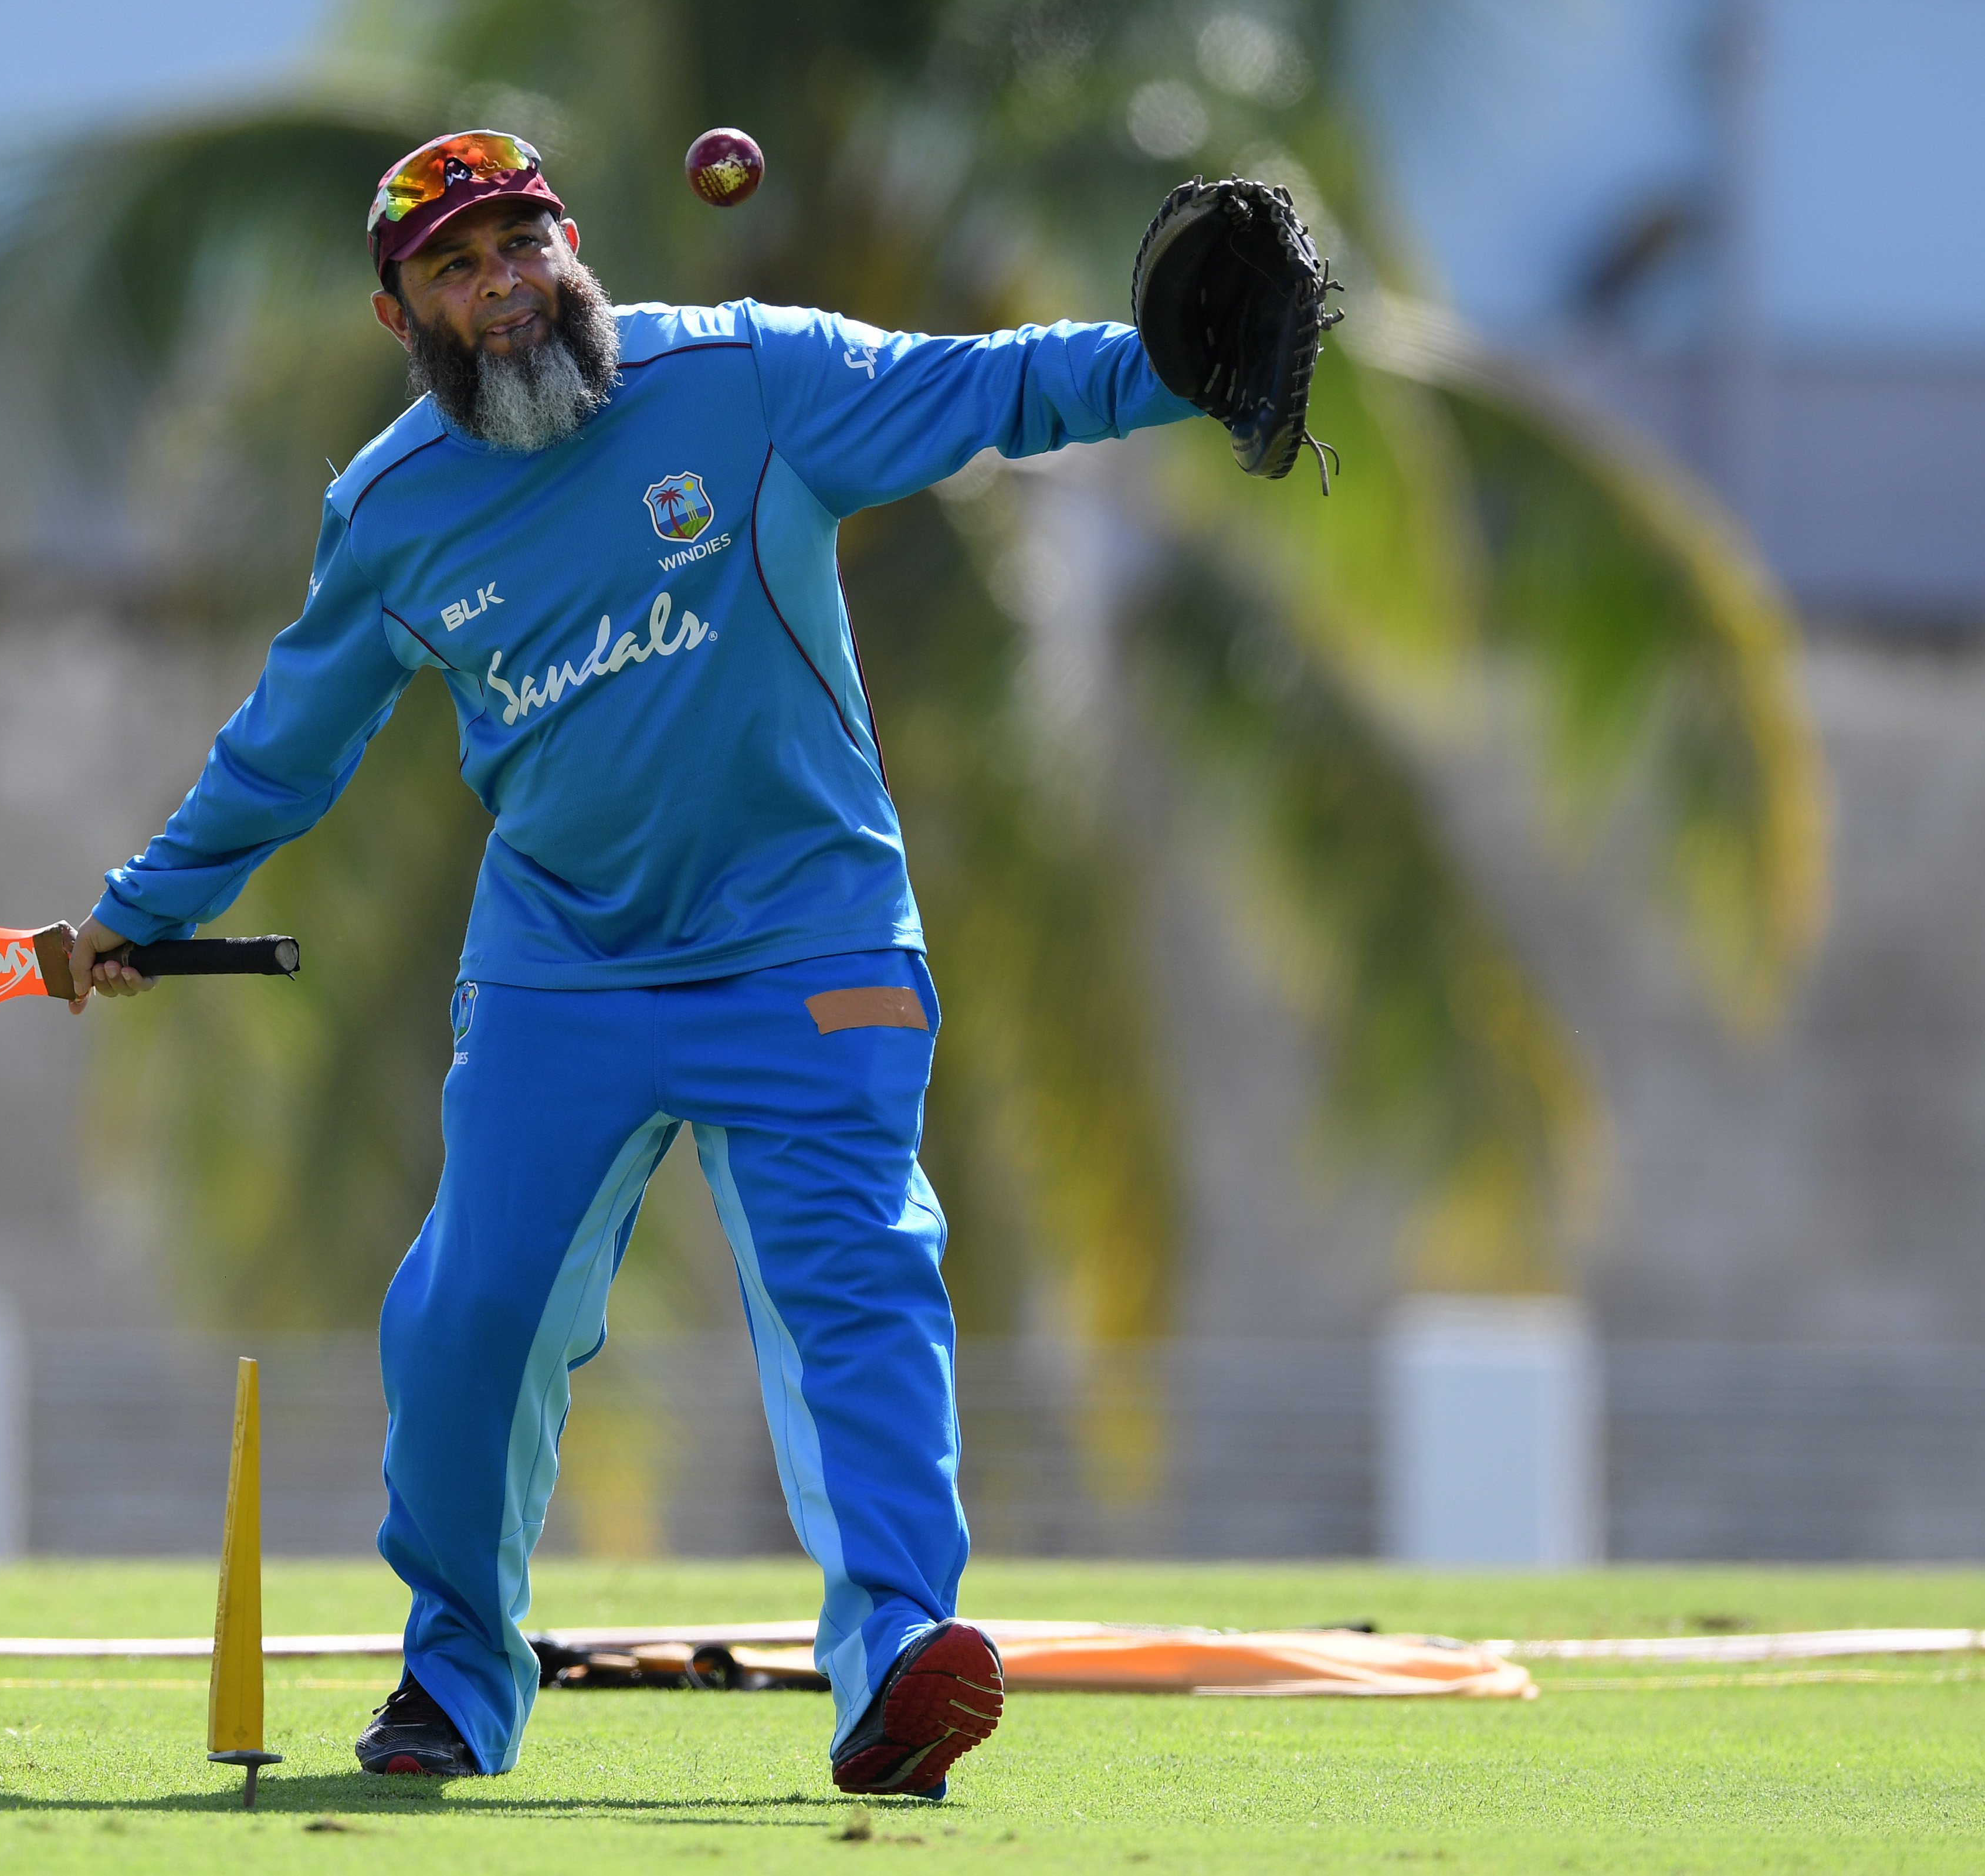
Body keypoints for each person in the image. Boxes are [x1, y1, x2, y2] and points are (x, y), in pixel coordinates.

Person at [67, 130, 1201, 1798]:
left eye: (522, 245)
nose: (503, 289)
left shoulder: (751, 377)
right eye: (455, 269)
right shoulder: (388, 510)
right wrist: (143, 908)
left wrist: (1185, 371)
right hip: (563, 966)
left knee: (858, 1286)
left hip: (807, 932)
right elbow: (285, 749)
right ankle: (455, 1678)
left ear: (574, 247)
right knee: (469, 1318)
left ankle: (896, 1653)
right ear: (405, 318)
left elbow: (997, 391)